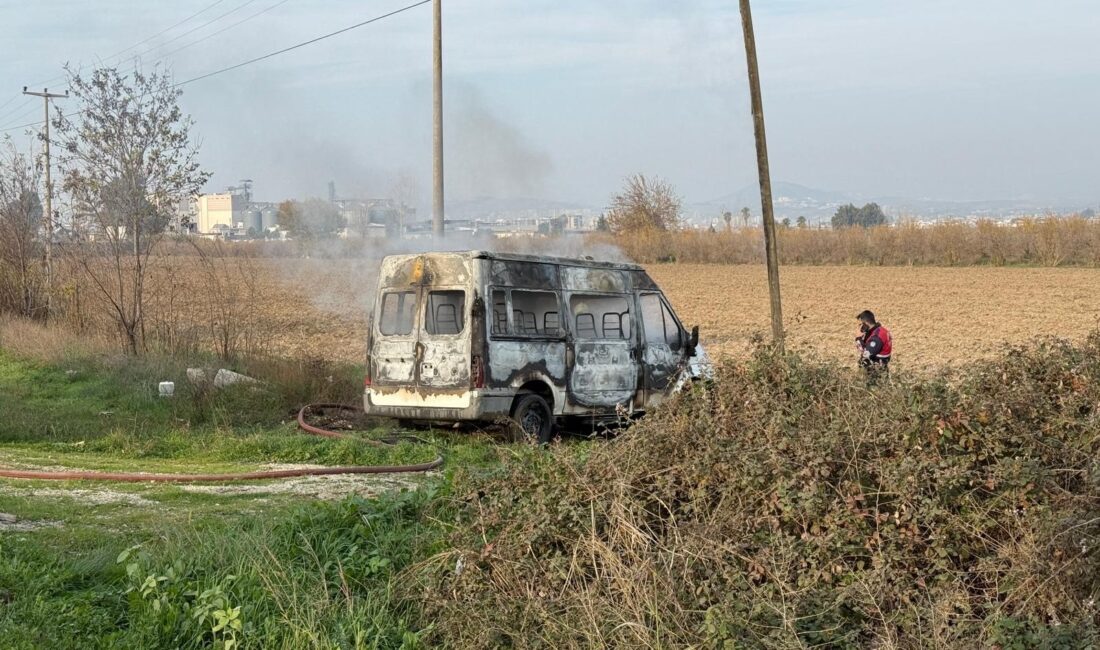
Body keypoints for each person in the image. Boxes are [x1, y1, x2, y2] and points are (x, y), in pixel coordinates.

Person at [855, 310, 891, 377]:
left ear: (865, 323)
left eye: (860, 324)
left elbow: (866, 355)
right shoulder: (881, 330)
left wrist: (858, 339)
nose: (859, 327)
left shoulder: (876, 338)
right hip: (883, 368)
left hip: (876, 373)